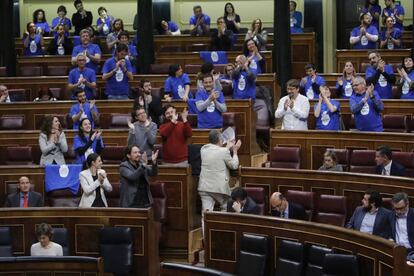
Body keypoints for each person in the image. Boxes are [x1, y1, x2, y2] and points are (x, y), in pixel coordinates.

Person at [198, 130, 241, 229]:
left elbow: (217, 152)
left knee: (206, 215)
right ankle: (222, 234)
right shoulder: (224, 151)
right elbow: (234, 165)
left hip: (204, 187)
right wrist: (234, 151)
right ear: (220, 140)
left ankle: (207, 241)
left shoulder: (203, 149)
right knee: (225, 208)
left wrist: (226, 147)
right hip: (219, 189)